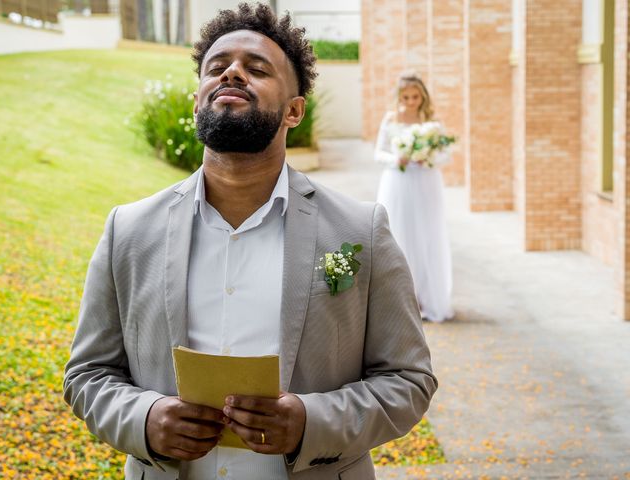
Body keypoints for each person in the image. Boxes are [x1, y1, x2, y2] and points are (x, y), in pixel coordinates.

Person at [64, 4, 437, 479]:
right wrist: (144, 419)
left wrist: (310, 422)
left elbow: (409, 380)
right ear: (197, 100)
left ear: (294, 110)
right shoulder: (128, 230)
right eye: (217, 68)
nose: (233, 73)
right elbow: (87, 375)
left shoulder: (360, 232)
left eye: (257, 69)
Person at [375, 73, 454, 323]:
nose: (411, 102)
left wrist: (428, 158)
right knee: (400, 234)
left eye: (415, 96)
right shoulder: (391, 119)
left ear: (423, 96)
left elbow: (446, 155)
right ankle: (405, 299)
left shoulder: (432, 122)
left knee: (427, 235)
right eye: (406, 97)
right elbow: (379, 152)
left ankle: (429, 297)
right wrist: (396, 159)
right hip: (398, 181)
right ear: (399, 97)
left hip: (426, 182)